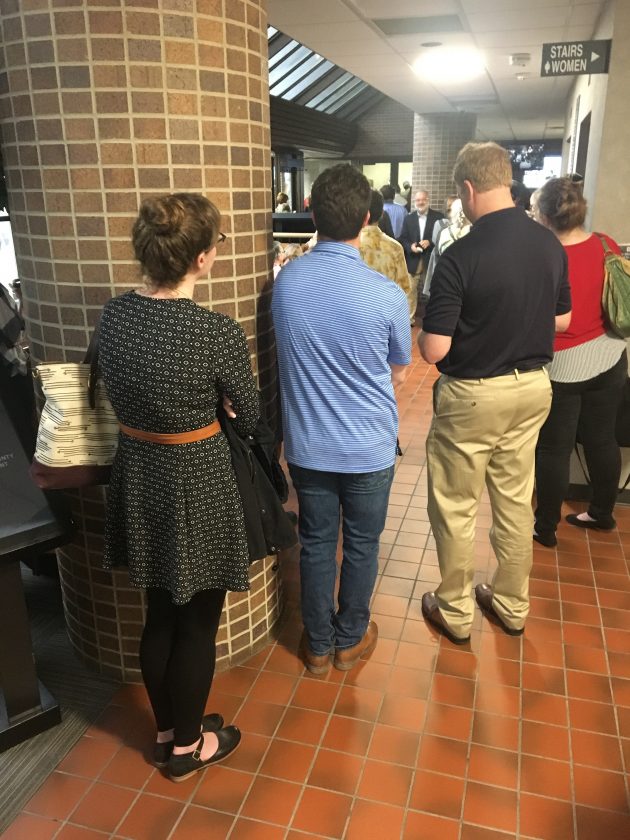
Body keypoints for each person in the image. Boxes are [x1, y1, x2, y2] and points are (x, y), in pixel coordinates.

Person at [98, 193, 259, 782]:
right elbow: (250, 415)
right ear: (201, 259)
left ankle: (168, 730)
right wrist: (221, 407)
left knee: (160, 614)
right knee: (197, 623)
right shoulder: (215, 332)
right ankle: (190, 750)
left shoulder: (115, 316)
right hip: (198, 479)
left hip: (139, 473)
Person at [418, 142, 571, 644]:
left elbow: (434, 350)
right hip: (533, 390)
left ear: (467, 189)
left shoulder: (461, 254)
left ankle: (455, 611)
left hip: (473, 396)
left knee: (456, 507)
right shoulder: (549, 244)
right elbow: (563, 318)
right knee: (514, 502)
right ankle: (510, 604)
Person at [272, 164, 411, 675]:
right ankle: (350, 640)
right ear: (368, 219)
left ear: (312, 214)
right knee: (361, 545)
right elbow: (399, 370)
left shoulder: (286, 284)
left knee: (315, 543)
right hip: (370, 446)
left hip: (309, 445)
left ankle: (318, 644)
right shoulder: (387, 293)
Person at [533, 177, 628, 545]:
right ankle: (602, 513)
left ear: (545, 217)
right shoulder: (606, 243)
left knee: (554, 447)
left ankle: (546, 529)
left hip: (564, 365)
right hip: (611, 356)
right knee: (602, 439)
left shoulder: (545, 258)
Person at [400, 190, 444, 324]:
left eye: (423, 199)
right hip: (413, 259)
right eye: (418, 200)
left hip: (430, 260)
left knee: (433, 290)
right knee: (410, 291)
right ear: (414, 202)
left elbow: (442, 237)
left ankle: (433, 318)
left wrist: (430, 241)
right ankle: (409, 319)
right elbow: (403, 238)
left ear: (428, 200)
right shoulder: (408, 218)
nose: (420, 202)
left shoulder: (438, 217)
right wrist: (410, 247)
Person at [359, 190, 410, 294]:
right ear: (382, 213)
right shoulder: (395, 247)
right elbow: (404, 288)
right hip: (387, 303)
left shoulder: (348, 244)